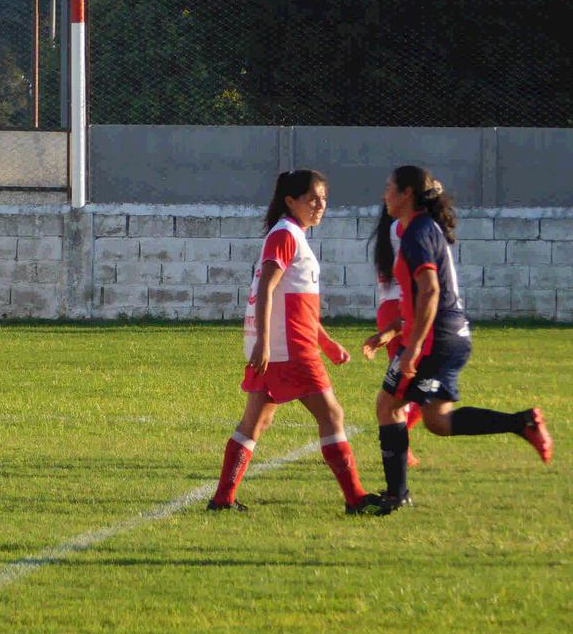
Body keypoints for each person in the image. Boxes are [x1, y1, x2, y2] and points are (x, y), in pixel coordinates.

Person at [365, 165, 553, 515]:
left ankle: (397, 494)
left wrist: (415, 346)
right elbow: (419, 296)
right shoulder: (418, 229)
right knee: (437, 420)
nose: (384, 194)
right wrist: (392, 332)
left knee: (387, 406)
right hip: (448, 335)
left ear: (407, 193)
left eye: (389, 187)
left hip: (436, 339)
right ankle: (521, 422)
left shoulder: (418, 231)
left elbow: (432, 291)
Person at [208, 170, 380, 515]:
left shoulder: (290, 235)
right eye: (312, 198)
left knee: (256, 422)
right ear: (291, 201)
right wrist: (265, 344)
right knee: (332, 414)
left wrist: (326, 342)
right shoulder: (285, 234)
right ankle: (355, 498)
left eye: (324, 199)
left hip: (282, 345)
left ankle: (223, 499)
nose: (320, 205)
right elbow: (266, 288)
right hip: (289, 349)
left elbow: (296, 302)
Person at [363, 205, 421, 467]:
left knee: (415, 382)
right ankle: (396, 440)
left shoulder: (388, 231)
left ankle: (397, 438)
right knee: (413, 384)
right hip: (402, 309)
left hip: (390, 308)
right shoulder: (403, 228)